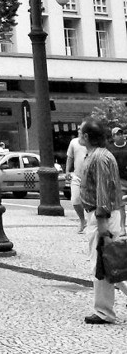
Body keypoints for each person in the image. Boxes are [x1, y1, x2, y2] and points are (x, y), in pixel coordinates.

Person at [79, 117, 123, 325]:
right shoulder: (100, 155)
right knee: (110, 264)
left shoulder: (99, 158)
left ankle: (104, 311)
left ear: (86, 136)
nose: (78, 135)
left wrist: (102, 222)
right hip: (100, 216)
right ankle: (104, 310)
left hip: (101, 217)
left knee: (107, 264)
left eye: (80, 132)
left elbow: (102, 191)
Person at [66, 127, 88, 234]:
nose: (79, 132)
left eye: (81, 130)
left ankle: (93, 223)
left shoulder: (90, 143)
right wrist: (67, 171)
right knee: (75, 200)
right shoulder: (73, 142)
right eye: (79, 130)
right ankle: (82, 220)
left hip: (89, 177)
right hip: (77, 175)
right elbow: (70, 157)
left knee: (91, 202)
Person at [107, 126, 127, 237]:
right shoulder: (110, 149)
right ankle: (122, 228)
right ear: (113, 137)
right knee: (121, 205)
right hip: (118, 180)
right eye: (117, 134)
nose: (120, 135)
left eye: (121, 133)